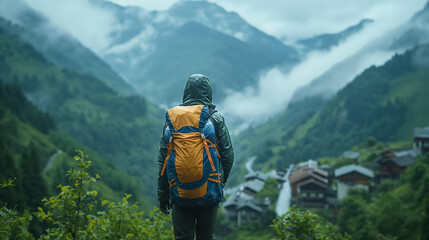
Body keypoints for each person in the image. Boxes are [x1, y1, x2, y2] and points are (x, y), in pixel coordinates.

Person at [157, 74, 234, 240]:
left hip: (179, 192)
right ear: (208, 91)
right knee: (205, 236)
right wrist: (220, 182)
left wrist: (163, 194)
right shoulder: (215, 118)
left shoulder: (173, 120)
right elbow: (227, 155)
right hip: (209, 190)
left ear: (186, 91)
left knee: (182, 237)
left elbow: (163, 159)